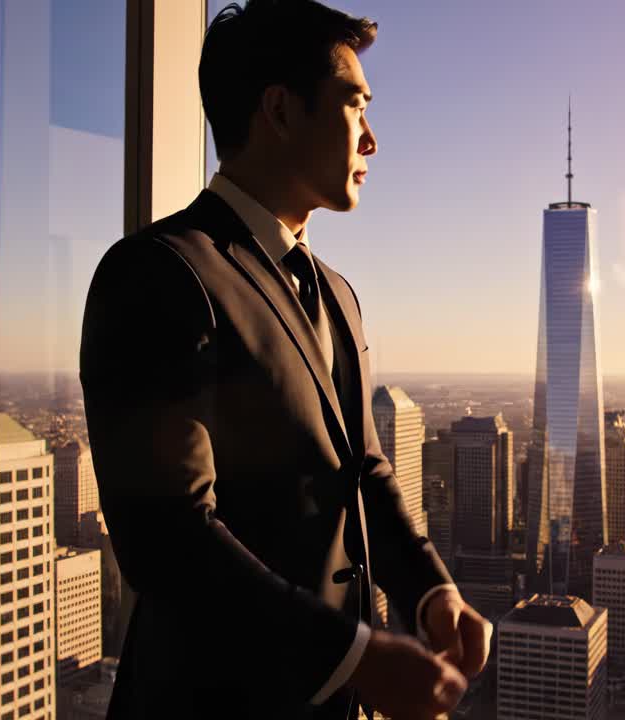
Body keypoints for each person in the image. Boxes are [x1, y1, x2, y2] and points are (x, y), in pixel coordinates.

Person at [79, 1, 491, 718]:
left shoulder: (336, 293)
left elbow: (362, 471)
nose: (372, 139)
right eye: (354, 105)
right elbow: (167, 536)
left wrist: (431, 593)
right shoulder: (157, 275)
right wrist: (353, 656)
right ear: (279, 109)